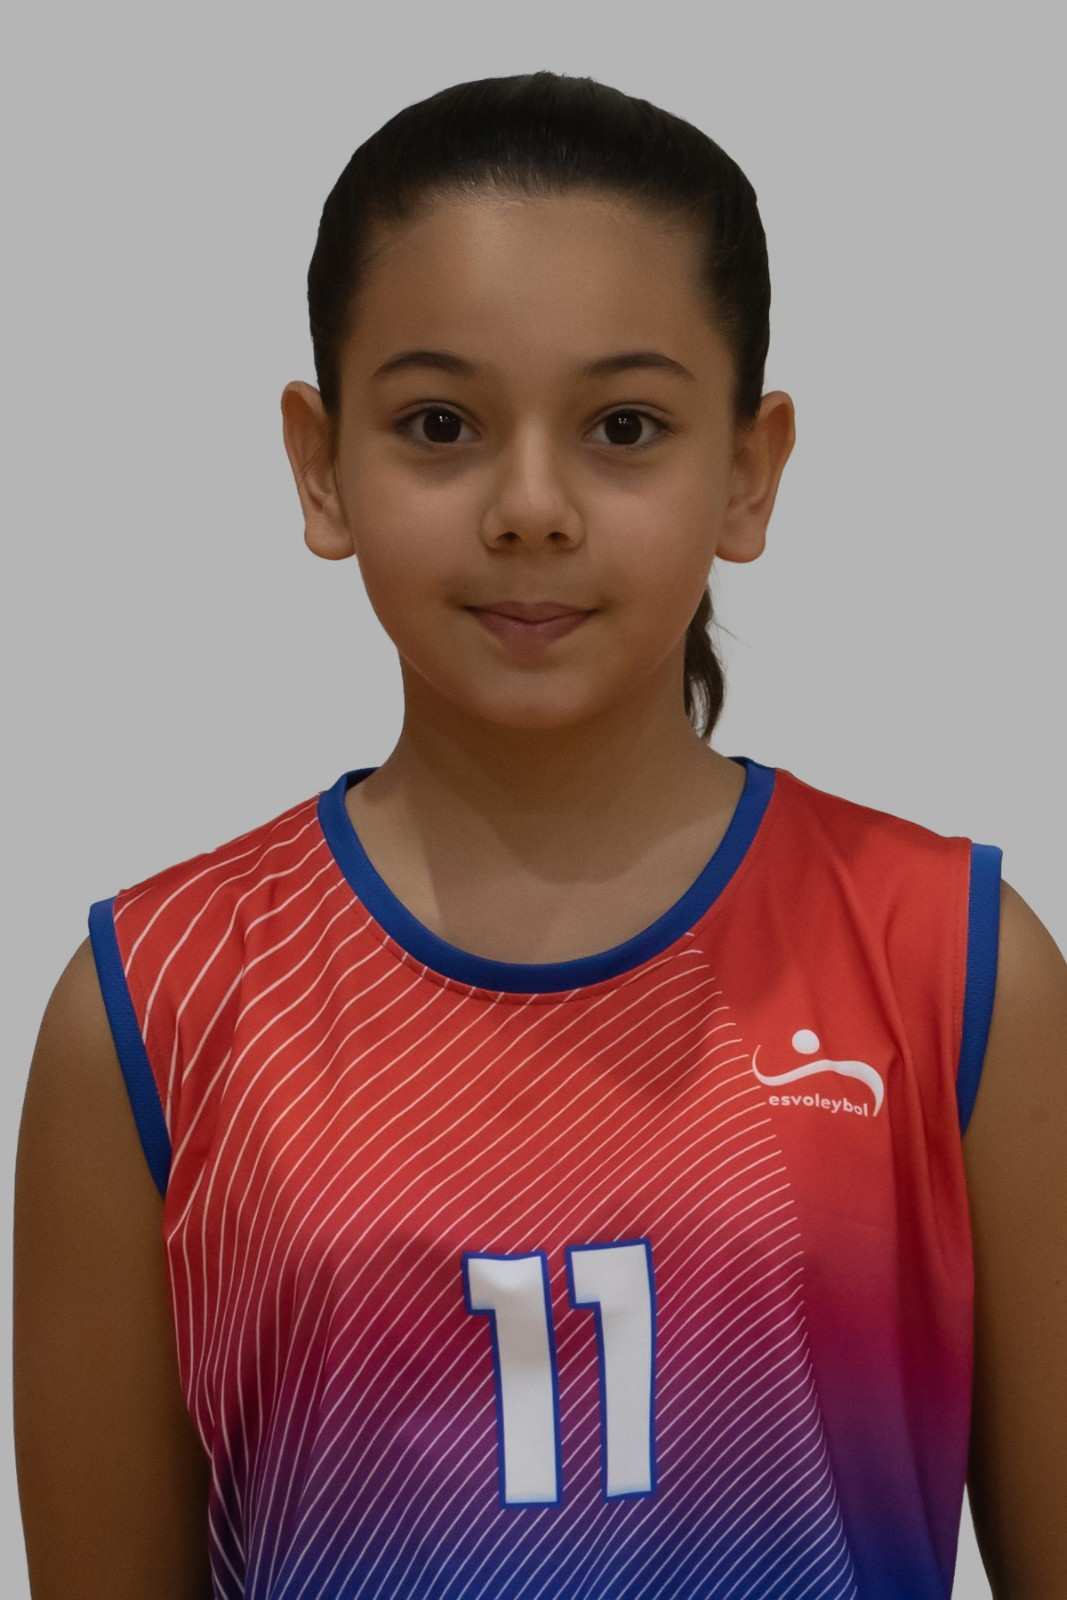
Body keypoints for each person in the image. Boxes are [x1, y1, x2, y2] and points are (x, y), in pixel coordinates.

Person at [13, 69, 1066, 1600]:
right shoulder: (154, 1007)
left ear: (749, 471)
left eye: (624, 425)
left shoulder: (958, 970)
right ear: (319, 463)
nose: (530, 506)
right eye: (439, 423)